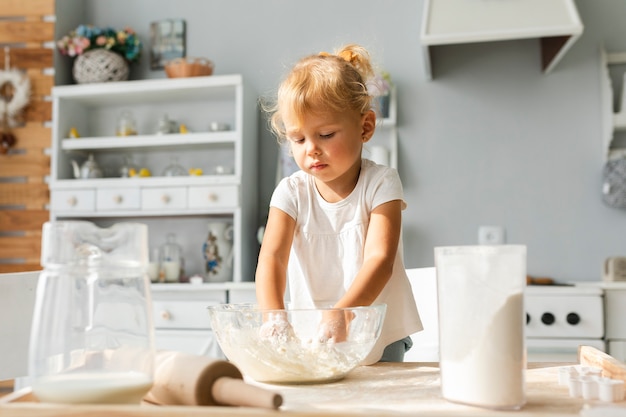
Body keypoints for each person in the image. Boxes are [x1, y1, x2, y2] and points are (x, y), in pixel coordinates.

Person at [255, 44, 422, 363]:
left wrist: (344, 314)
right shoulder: (290, 193)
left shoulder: (381, 184)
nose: (311, 149)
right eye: (299, 139)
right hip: (314, 336)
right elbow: (272, 259)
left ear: (365, 127)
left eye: (326, 135)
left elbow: (380, 260)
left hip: (380, 336)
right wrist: (273, 316)